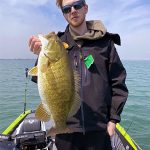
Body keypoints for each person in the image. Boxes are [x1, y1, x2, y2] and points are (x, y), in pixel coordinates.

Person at [28, 0, 128, 149]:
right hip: (66, 131)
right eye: (67, 9)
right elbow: (40, 79)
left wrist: (113, 120)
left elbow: (118, 83)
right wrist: (39, 56)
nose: (73, 10)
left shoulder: (105, 43)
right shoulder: (58, 43)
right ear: (64, 14)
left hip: (99, 130)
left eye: (77, 5)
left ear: (86, 8)